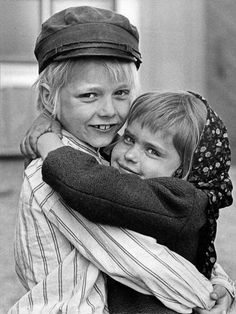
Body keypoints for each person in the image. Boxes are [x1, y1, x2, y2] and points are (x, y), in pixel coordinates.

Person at [11, 5, 234, 314]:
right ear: (49, 96)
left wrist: (220, 278)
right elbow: (143, 260)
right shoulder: (53, 176)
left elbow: (170, 233)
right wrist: (204, 296)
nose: (109, 111)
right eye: (89, 96)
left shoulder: (111, 154)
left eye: (121, 93)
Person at [35, 91, 235, 314]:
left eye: (152, 151)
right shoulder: (155, 187)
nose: (130, 154)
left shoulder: (181, 201)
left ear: (186, 170)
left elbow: (89, 184)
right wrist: (49, 118)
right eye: (129, 138)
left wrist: (47, 142)